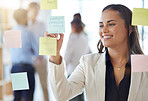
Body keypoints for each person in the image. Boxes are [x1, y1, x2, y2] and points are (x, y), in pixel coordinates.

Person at [46, 4, 148, 101]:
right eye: (101, 25)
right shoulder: (88, 63)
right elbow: (62, 95)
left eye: (111, 24)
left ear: (129, 29)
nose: (104, 30)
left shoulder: (144, 64)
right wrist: (55, 55)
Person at [10, 8, 38, 101]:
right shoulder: (28, 32)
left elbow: (13, 50)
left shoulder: (11, 31)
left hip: (15, 67)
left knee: (17, 96)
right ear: (23, 18)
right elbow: (37, 50)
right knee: (28, 97)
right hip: (26, 68)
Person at [27, 2, 49, 101]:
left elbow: (46, 41)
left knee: (44, 86)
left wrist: (41, 56)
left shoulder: (42, 25)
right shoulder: (25, 25)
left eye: (37, 10)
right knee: (28, 88)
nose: (36, 12)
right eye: (34, 10)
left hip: (41, 59)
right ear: (29, 10)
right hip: (28, 61)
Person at [64, 19, 91, 101]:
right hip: (83, 71)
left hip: (72, 71)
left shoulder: (72, 39)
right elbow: (89, 53)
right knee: (80, 96)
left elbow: (67, 56)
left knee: (72, 96)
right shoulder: (85, 38)